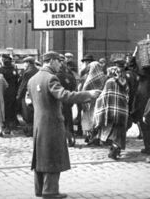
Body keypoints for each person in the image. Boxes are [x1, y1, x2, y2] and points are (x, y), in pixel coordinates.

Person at [27, 51, 100, 199]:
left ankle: (39, 189)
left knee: (40, 155)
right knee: (53, 155)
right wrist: (89, 94)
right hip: (52, 123)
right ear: (51, 61)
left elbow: (29, 102)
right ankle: (50, 191)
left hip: (39, 123)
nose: (61, 64)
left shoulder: (33, 79)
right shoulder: (51, 78)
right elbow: (65, 95)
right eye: (59, 61)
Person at [93, 64, 129, 160]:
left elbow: (104, 95)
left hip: (111, 111)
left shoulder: (109, 82)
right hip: (122, 111)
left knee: (112, 131)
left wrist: (98, 101)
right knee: (119, 132)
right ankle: (116, 150)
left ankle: (114, 151)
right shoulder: (124, 82)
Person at [81, 61, 106, 141]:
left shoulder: (89, 78)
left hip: (89, 102)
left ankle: (89, 136)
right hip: (100, 102)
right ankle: (96, 137)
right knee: (97, 119)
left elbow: (84, 90)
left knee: (89, 118)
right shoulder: (104, 77)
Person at [56, 54, 78, 146]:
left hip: (58, 101)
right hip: (68, 100)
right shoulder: (69, 73)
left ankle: (63, 139)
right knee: (68, 119)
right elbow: (74, 86)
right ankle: (70, 138)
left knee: (60, 120)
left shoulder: (55, 74)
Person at [17, 56, 39, 137]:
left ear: (28, 63)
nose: (24, 65)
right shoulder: (37, 70)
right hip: (36, 95)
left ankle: (29, 131)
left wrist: (18, 95)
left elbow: (23, 85)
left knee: (27, 114)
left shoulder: (27, 72)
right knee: (34, 113)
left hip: (27, 95)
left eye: (25, 63)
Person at [0, 54, 19, 133]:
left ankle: (6, 125)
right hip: (13, 91)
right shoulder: (14, 70)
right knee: (12, 108)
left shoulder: (1, 70)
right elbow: (16, 80)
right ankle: (12, 124)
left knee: (5, 108)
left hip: (4, 91)